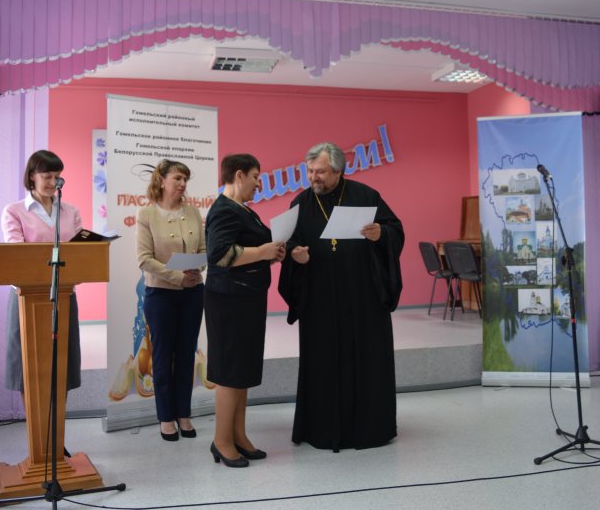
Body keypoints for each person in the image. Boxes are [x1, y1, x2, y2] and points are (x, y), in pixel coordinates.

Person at [279, 142, 404, 452]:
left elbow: (395, 230)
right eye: (310, 171)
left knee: (366, 359)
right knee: (323, 363)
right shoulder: (301, 202)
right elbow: (288, 242)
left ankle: (369, 428)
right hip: (319, 299)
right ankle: (321, 428)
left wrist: (381, 234)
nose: (313, 177)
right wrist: (295, 255)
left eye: (320, 171)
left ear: (337, 170)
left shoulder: (366, 195)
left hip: (364, 297)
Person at [204, 154, 285, 467]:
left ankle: (238, 435)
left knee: (242, 371)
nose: (258, 184)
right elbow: (219, 255)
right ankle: (221, 441)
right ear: (239, 175)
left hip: (247, 297)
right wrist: (262, 251)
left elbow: (250, 252)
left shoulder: (244, 210)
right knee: (229, 372)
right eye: (255, 177)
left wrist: (272, 254)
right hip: (229, 300)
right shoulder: (224, 209)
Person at [1, 150, 83, 422]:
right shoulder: (14, 211)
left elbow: (81, 253)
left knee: (62, 364)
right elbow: (17, 256)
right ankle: (37, 433)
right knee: (29, 366)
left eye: (57, 176)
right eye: (46, 176)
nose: (53, 182)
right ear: (32, 176)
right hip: (28, 297)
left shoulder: (71, 211)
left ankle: (56, 433)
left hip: (64, 294)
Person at [136, 160, 206, 441]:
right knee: (163, 356)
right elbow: (144, 259)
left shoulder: (193, 212)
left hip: (194, 292)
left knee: (187, 355)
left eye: (185, 179)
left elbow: (203, 250)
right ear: (162, 180)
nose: (182, 184)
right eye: (177, 178)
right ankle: (166, 417)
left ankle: (183, 414)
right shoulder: (146, 214)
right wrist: (178, 277)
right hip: (161, 295)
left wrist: (197, 269)